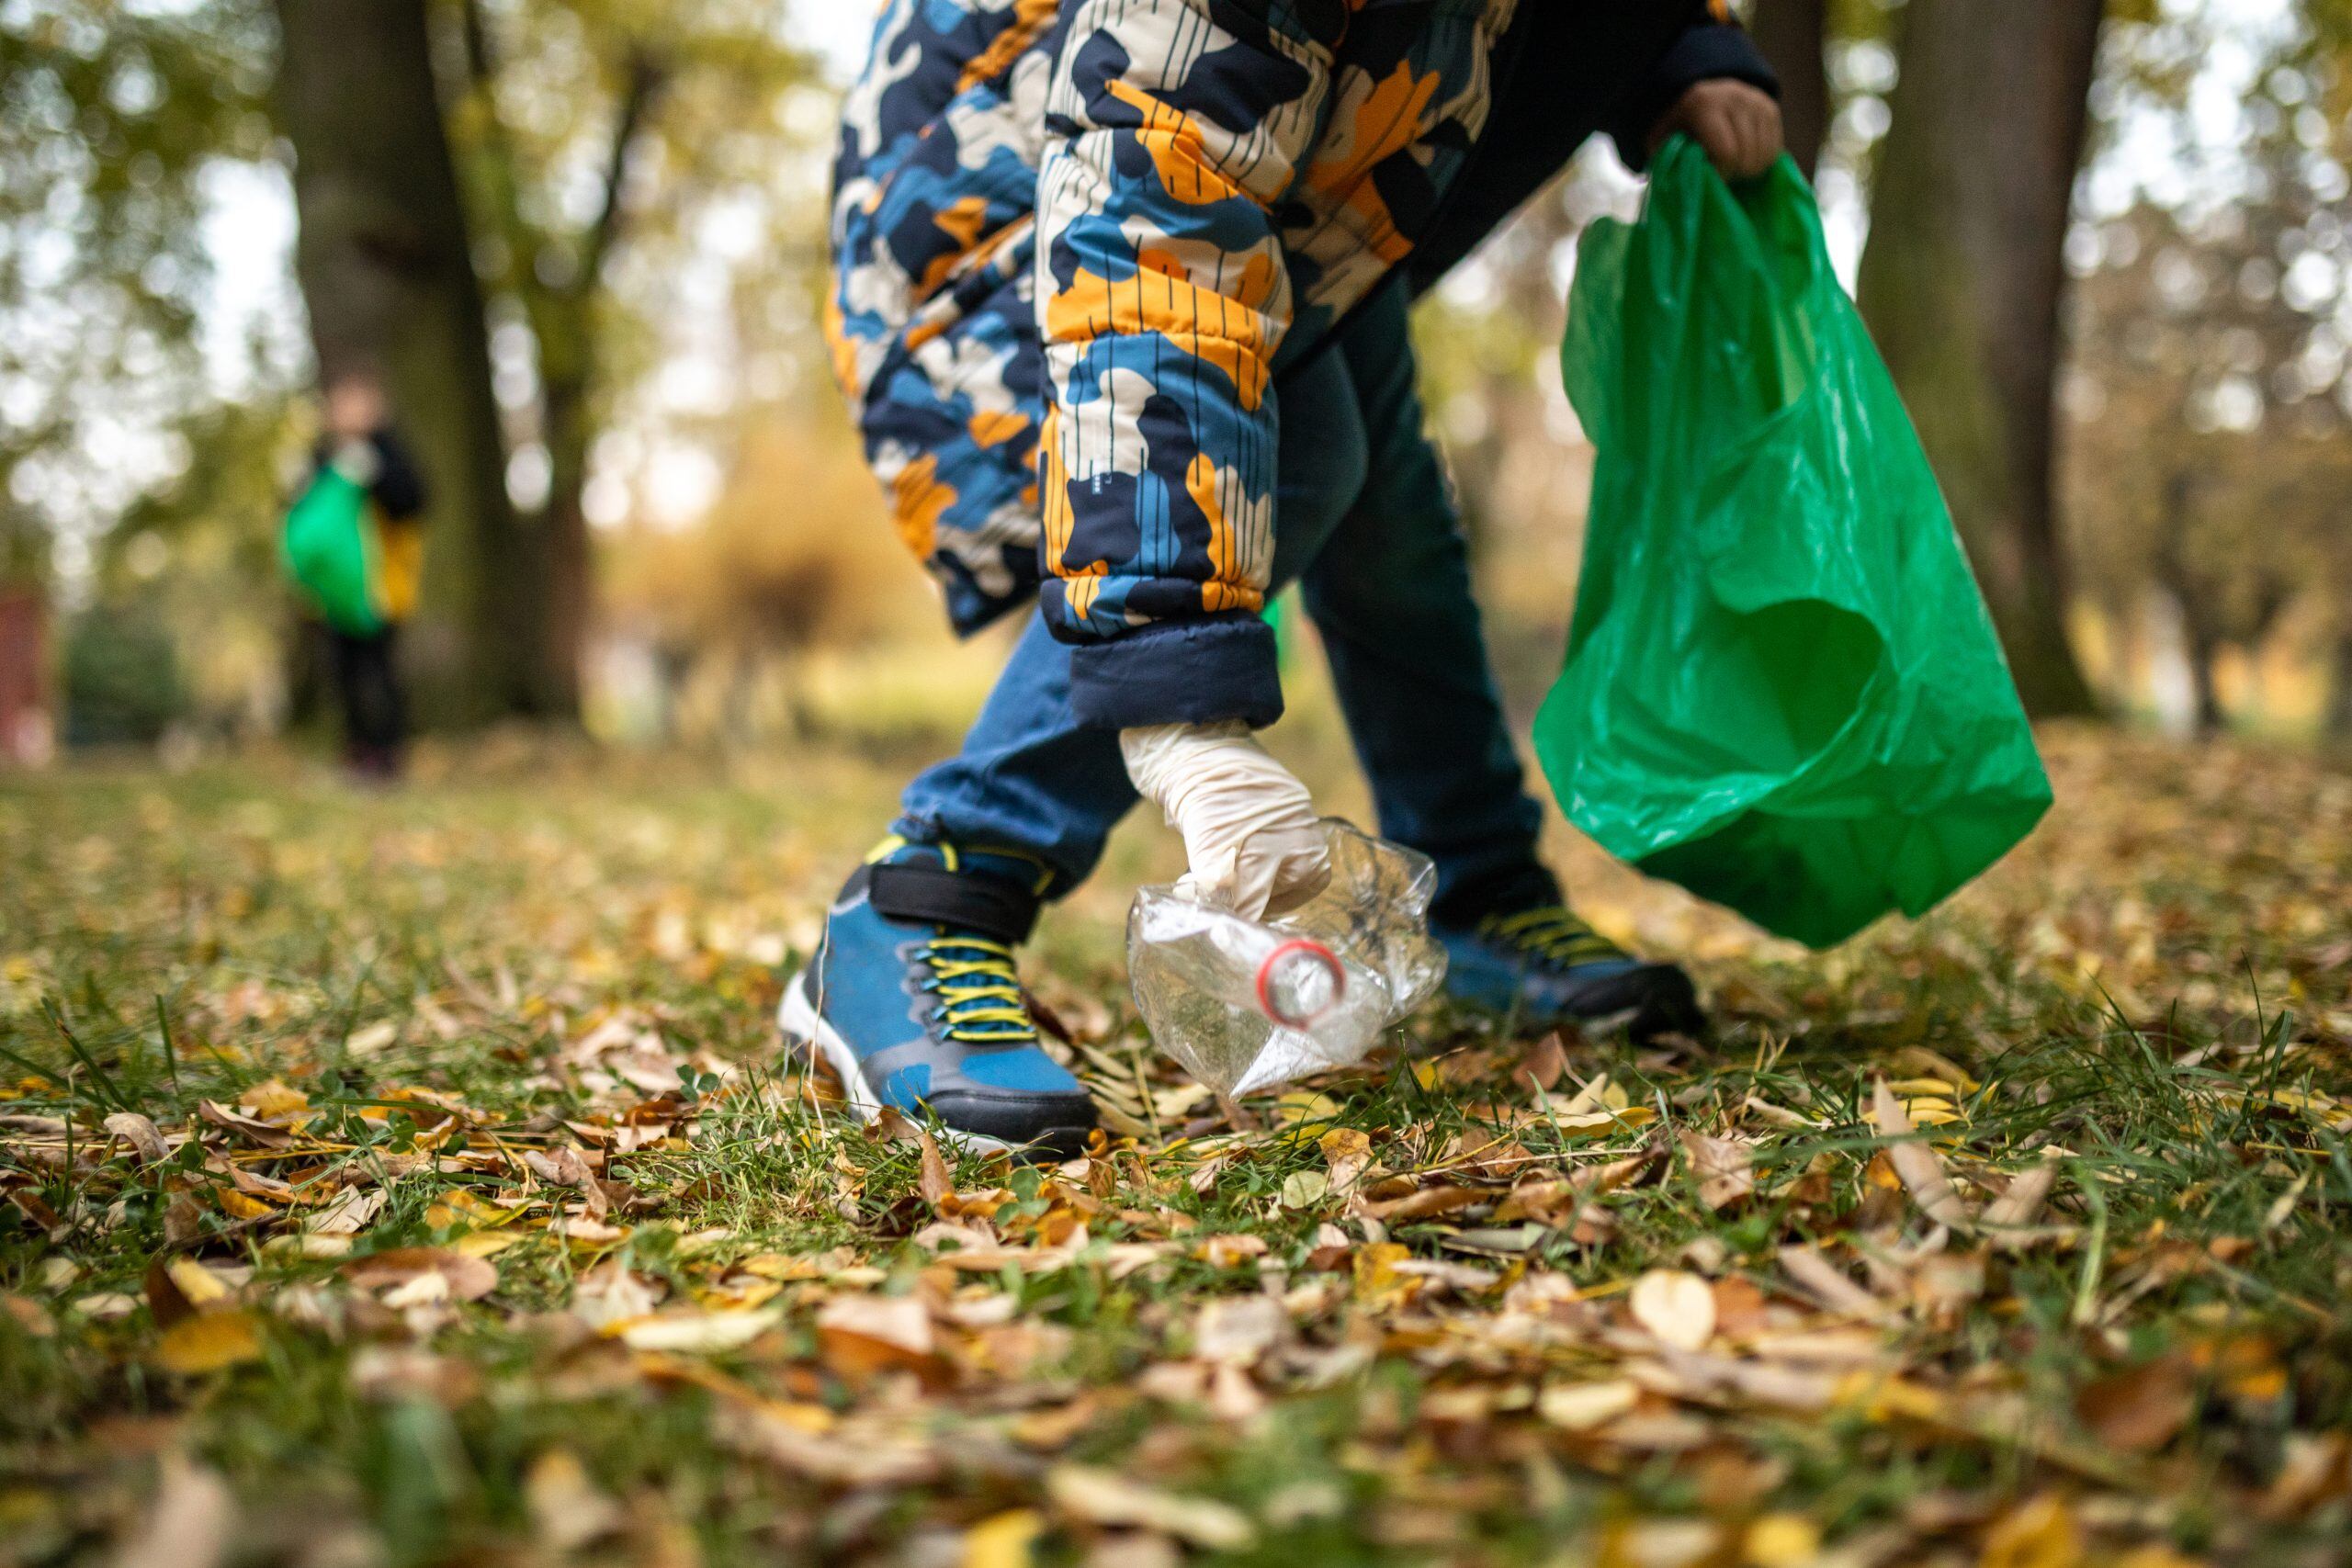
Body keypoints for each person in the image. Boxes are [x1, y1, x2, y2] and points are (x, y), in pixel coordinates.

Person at [798, 0, 1786, 1156]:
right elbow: (1150, 212)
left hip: (1313, 177)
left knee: (1393, 519)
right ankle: (928, 894)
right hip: (998, 181)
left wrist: (1679, 45)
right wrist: (1182, 717)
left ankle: (1479, 894)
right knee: (1302, 457)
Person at [309, 371, 427, 781]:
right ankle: (356, 753)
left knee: (379, 670)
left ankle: (388, 756)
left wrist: (376, 473)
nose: (349, 411)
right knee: (343, 672)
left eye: (357, 401)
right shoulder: (323, 458)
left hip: (381, 585)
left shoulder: (390, 454)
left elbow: (413, 504)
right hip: (336, 591)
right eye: (341, 402)